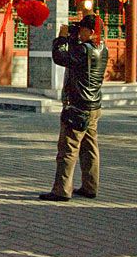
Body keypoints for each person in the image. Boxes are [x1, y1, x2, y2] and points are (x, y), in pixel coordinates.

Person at [40, 14, 108, 202]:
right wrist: (72, 38)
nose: (79, 32)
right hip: (94, 106)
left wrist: (61, 38)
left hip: (78, 107)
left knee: (68, 149)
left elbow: (60, 57)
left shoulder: (84, 51)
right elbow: (75, 55)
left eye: (83, 29)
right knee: (90, 148)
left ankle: (61, 190)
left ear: (92, 32)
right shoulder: (103, 49)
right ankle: (90, 186)